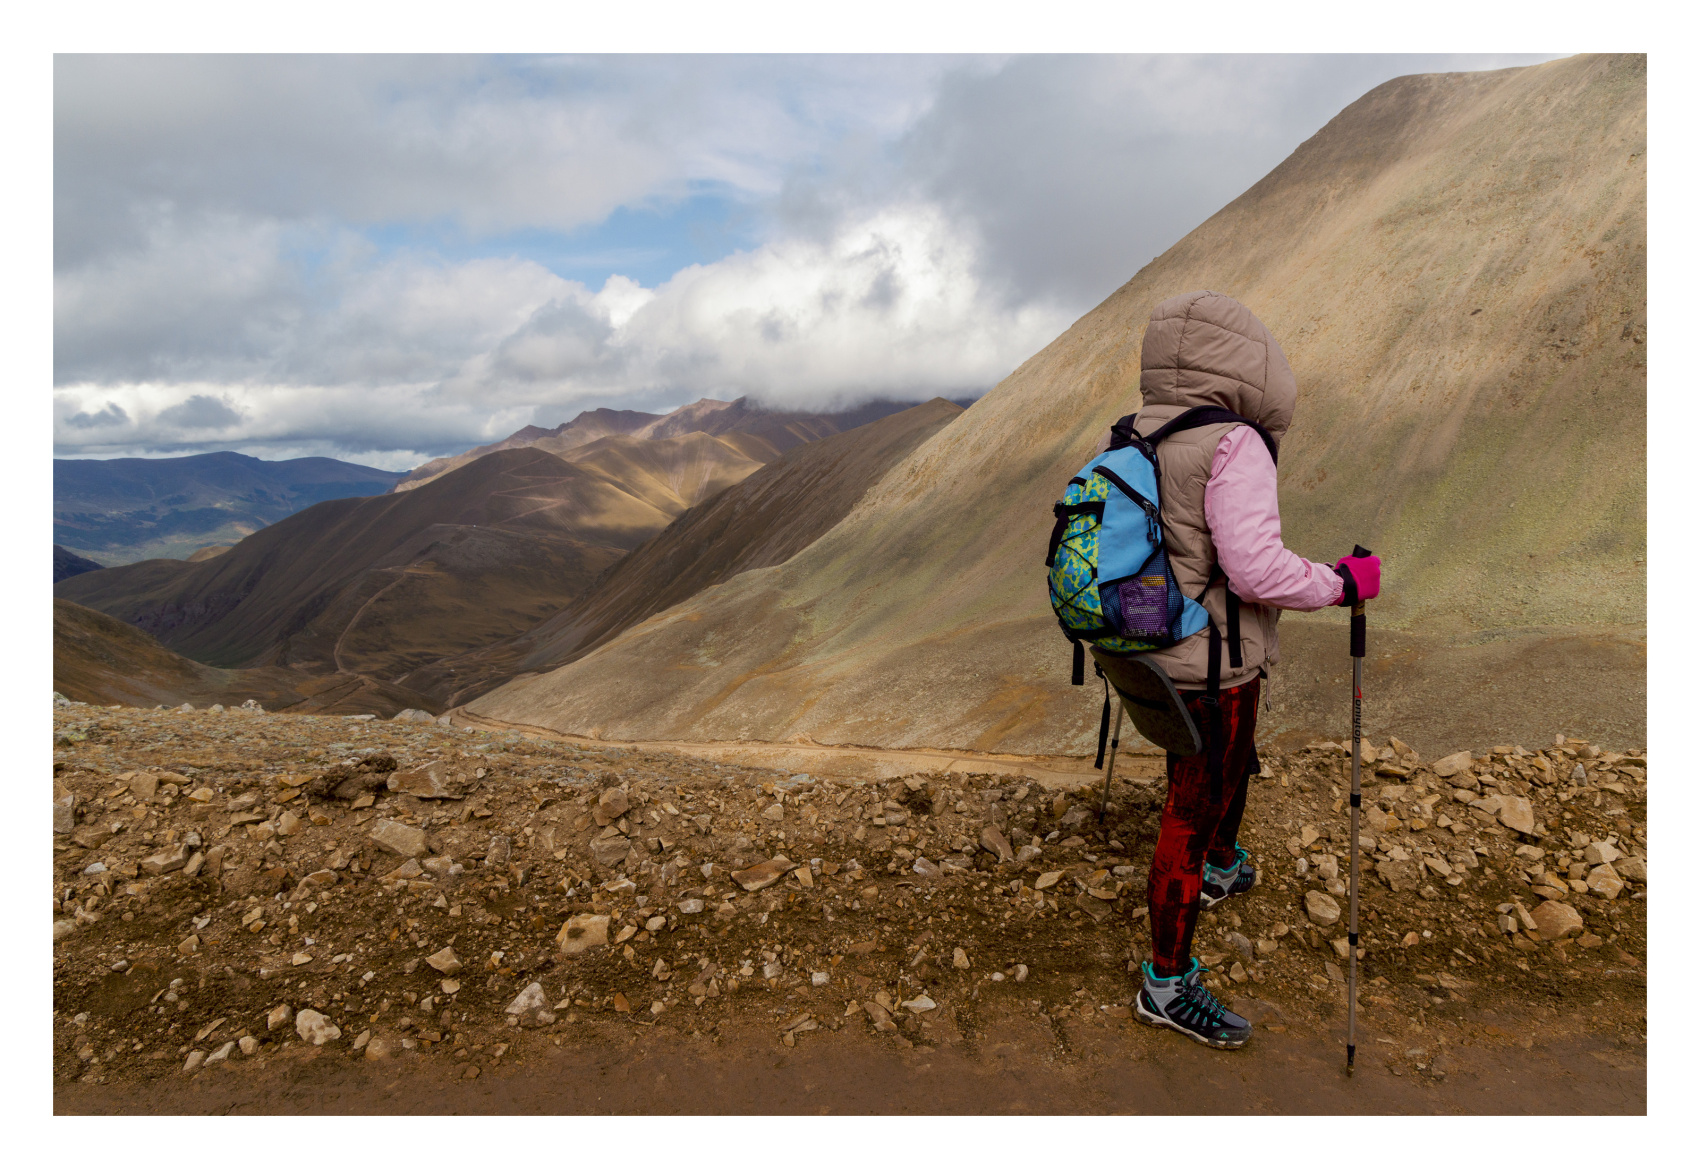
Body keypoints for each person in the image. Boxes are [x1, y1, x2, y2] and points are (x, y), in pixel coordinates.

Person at [1111, 290, 1381, 1049]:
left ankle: (1223, 867)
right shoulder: (1234, 442)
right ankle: (1165, 983)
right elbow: (1256, 569)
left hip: (1155, 644)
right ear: (1248, 362)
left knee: (1212, 773)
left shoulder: (1138, 430)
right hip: (1214, 663)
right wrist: (1341, 583)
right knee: (1194, 804)